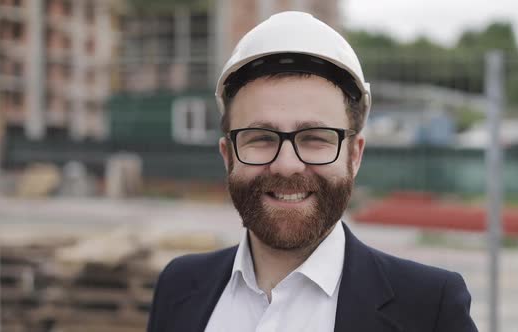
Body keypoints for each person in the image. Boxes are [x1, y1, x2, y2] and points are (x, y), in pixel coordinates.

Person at [147, 11, 478, 332]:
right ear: (227, 155)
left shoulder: (428, 309)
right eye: (261, 138)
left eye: (315, 138)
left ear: (355, 155)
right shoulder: (178, 287)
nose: (287, 165)